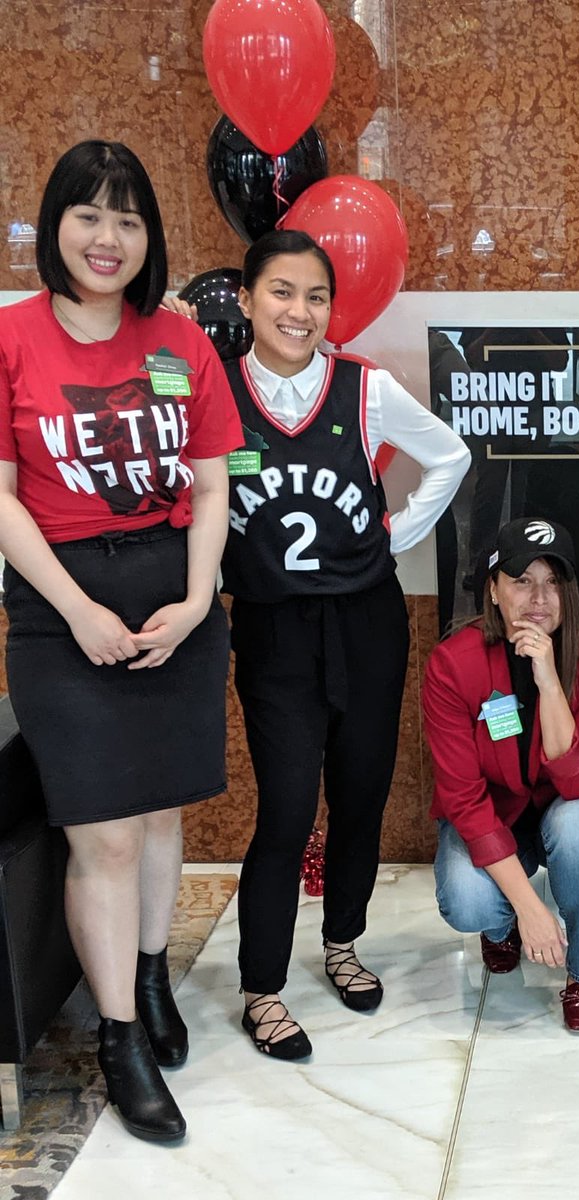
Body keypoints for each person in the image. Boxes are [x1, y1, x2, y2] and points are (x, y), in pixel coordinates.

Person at [0, 141, 243, 1140]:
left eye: (129, 219)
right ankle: (120, 1041)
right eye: (89, 215)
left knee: (155, 810)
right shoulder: (11, 337)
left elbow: (215, 479)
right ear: (55, 223)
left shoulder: (179, 343)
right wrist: (74, 610)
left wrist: (195, 602)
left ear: (151, 237)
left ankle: (150, 979)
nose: (108, 238)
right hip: (60, 603)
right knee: (100, 828)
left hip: (172, 592)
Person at [222, 229, 469, 1058]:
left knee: (359, 797)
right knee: (287, 809)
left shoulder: (363, 388)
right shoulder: (215, 394)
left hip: (365, 623)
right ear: (249, 297)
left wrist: (393, 536)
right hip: (271, 630)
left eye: (316, 296)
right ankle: (261, 988)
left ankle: (342, 942)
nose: (300, 310)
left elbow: (450, 455)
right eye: (283, 291)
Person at [423, 517, 579, 1033]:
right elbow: (464, 801)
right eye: (521, 580)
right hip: (493, 814)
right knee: (468, 902)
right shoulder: (453, 664)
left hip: (569, 803)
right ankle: (503, 922)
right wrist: (529, 907)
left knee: (577, 824)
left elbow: (578, 780)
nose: (539, 597)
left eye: (554, 581)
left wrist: (550, 681)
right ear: (492, 589)